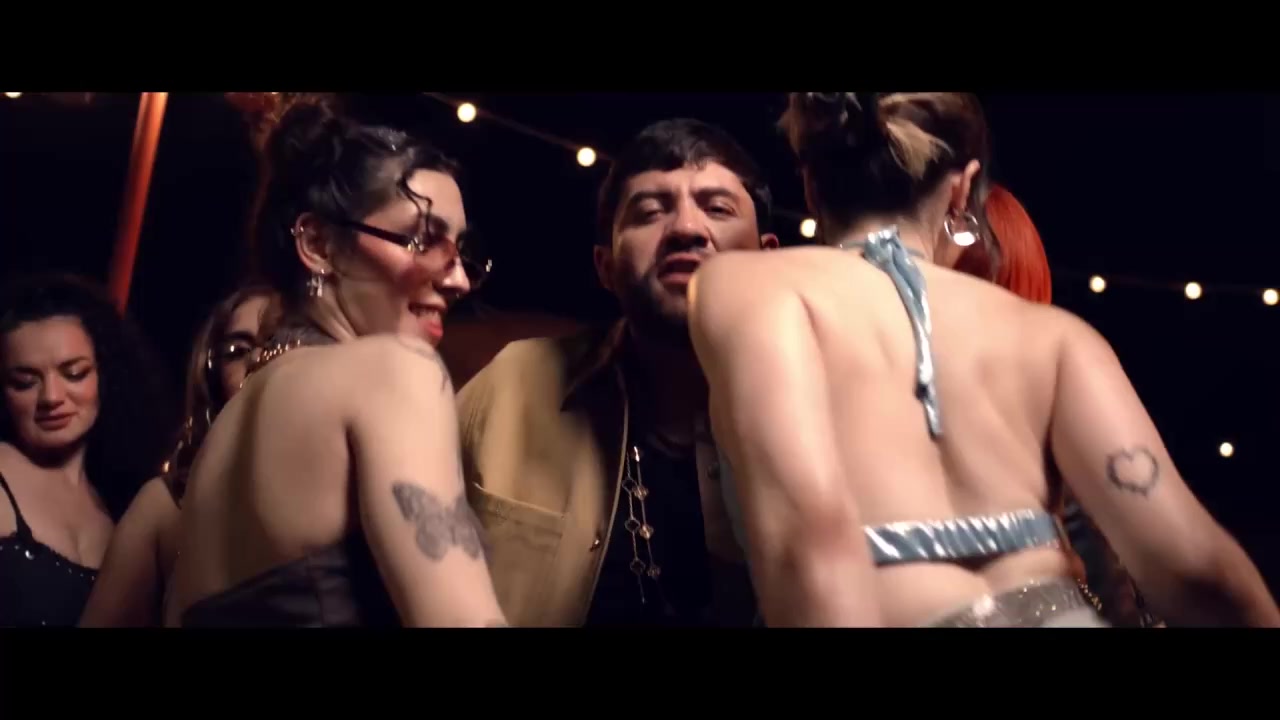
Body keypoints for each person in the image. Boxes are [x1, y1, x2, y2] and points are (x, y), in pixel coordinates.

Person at [689, 92, 1280, 627]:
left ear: (809, 184)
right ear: (963, 189)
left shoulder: (752, 288)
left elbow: (810, 545)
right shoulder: (1053, 336)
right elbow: (1198, 569)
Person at [164, 96, 505, 627]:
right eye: (422, 239)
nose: (459, 279)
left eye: (460, 250)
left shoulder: (219, 441)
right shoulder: (395, 372)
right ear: (318, 244)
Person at [456, 118, 777, 626]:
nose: (687, 228)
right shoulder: (513, 386)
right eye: (650, 212)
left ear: (768, 256)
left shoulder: (823, 410)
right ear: (605, 266)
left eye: (717, 208)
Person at [79, 285, 276, 626]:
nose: (259, 360)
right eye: (238, 350)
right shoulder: (167, 505)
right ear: (211, 376)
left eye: (278, 342)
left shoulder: (352, 481)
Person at [0, 274, 175, 627]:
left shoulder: (129, 502)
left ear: (106, 377)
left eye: (74, 373)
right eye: (25, 382)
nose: (51, 397)